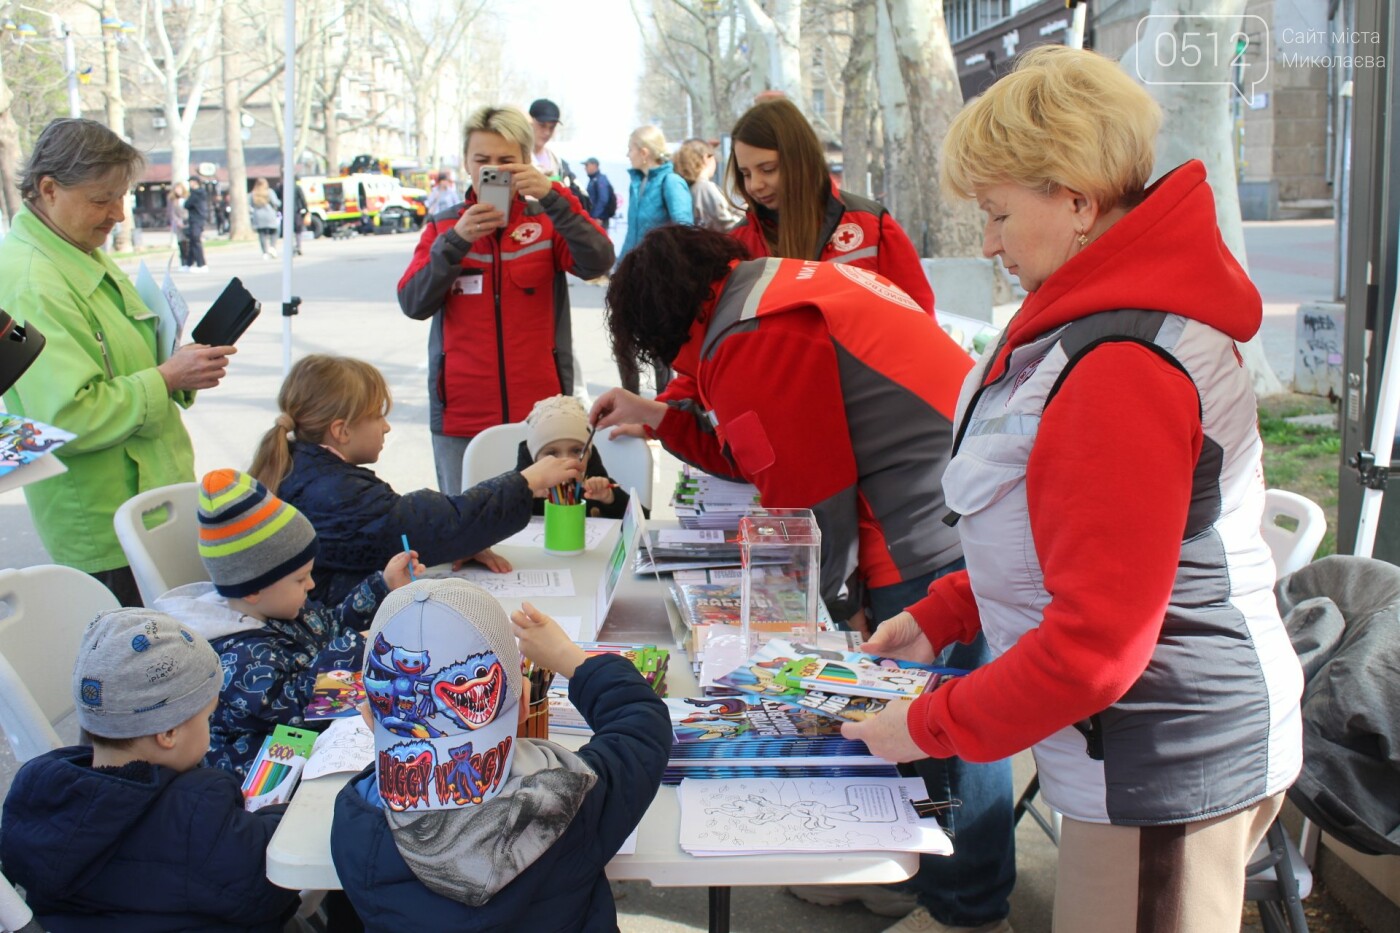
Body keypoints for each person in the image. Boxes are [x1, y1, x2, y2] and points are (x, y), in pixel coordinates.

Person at [841, 47, 1304, 933]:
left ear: (1079, 202)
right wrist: (946, 610)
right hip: (1147, 746)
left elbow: (1097, 641)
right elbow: (1067, 534)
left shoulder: (1118, 365)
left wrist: (928, 724)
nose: (987, 243)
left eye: (998, 213)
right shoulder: (1102, 323)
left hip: (1164, 757)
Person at [591, 225, 1015, 933]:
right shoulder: (766, 288)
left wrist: (839, 603)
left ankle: (967, 909)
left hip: (926, 530)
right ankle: (909, 878)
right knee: (928, 712)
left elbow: (811, 490)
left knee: (946, 722)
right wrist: (664, 418)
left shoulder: (754, 334)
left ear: (667, 323)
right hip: (946, 506)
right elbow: (757, 450)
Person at [331, 578, 671, 931]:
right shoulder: (575, 799)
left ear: (370, 717)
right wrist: (572, 659)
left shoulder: (356, 826)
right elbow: (642, 726)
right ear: (525, 702)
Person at [0, 118, 233, 607]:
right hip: (107, 524)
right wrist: (168, 376)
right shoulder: (32, 279)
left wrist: (179, 367)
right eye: (102, 199)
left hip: (148, 503)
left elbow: (125, 356)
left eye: (122, 196)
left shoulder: (74, 247)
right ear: (48, 190)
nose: (119, 215)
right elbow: (65, 416)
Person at [0, 608, 302, 930]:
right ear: (168, 733)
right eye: (206, 719)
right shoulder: (195, 811)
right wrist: (281, 811)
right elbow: (267, 886)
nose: (209, 731)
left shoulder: (37, 786)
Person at [398, 104, 613, 496]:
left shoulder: (546, 220)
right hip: (460, 418)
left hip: (542, 419)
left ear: (527, 161)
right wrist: (455, 242)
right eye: (482, 160)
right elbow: (413, 302)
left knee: (547, 528)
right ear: (465, 162)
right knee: (465, 534)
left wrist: (553, 197)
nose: (493, 169)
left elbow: (598, 259)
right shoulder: (443, 227)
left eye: (506, 160)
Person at [251, 354, 582, 606]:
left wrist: (459, 542)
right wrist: (523, 482)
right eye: (378, 415)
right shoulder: (334, 492)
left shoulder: (308, 470)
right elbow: (424, 523)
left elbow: (403, 535)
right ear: (342, 430)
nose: (386, 427)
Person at [151, 467, 420, 777]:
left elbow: (330, 626)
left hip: (322, 735)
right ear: (253, 589)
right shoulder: (234, 659)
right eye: (300, 578)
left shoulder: (281, 607)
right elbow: (302, 707)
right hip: (269, 782)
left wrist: (380, 587)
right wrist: (357, 646)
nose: (310, 586)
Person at [727, 97, 932, 312]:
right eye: (745, 174)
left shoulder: (871, 226)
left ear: (801, 161)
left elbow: (918, 318)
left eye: (768, 169)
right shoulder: (736, 245)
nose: (755, 185)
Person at [616, 124, 692, 397]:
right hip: (633, 274)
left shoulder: (671, 182)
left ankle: (665, 405)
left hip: (659, 276)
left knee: (661, 347)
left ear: (644, 152)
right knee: (622, 340)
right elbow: (632, 229)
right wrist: (618, 266)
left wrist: (668, 269)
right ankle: (629, 402)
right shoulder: (637, 182)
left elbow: (683, 228)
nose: (628, 154)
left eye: (631, 148)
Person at [513, 395, 630, 519]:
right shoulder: (520, 488)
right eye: (552, 453)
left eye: (576, 450)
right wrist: (522, 495)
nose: (566, 460)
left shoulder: (598, 485)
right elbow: (495, 524)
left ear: (589, 454)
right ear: (533, 459)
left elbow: (642, 521)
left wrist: (610, 498)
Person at [527, 97, 589, 208]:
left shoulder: (559, 164)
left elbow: (585, 201)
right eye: (542, 125)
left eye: (552, 127)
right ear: (530, 122)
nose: (547, 132)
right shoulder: (517, 158)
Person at [675, 138, 743, 232]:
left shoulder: (691, 188)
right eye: (714, 156)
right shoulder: (704, 188)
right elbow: (726, 223)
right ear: (706, 158)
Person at [249, 177, 281, 259]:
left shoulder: (253, 194)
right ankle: (272, 247)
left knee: (262, 234)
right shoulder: (269, 192)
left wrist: (253, 212)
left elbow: (249, 206)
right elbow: (276, 203)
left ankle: (265, 252)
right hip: (269, 214)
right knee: (274, 231)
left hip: (258, 215)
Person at [184, 175, 210, 272]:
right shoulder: (196, 193)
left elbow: (187, 204)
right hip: (195, 219)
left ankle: (201, 264)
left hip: (197, 219)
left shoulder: (197, 193)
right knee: (192, 241)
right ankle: (189, 263)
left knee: (196, 241)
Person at [582, 157, 616, 231]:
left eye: (587, 165)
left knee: (598, 241)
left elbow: (603, 199)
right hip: (594, 218)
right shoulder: (593, 180)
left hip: (599, 220)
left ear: (594, 165)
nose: (585, 168)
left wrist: (595, 216)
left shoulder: (600, 179)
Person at [167, 180, 191, 270]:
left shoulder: (187, 198)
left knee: (188, 243)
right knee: (181, 243)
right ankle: (183, 262)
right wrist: (177, 221)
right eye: (176, 189)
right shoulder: (173, 200)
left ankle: (189, 262)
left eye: (179, 189)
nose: (178, 191)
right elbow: (171, 212)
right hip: (178, 224)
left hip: (187, 222)